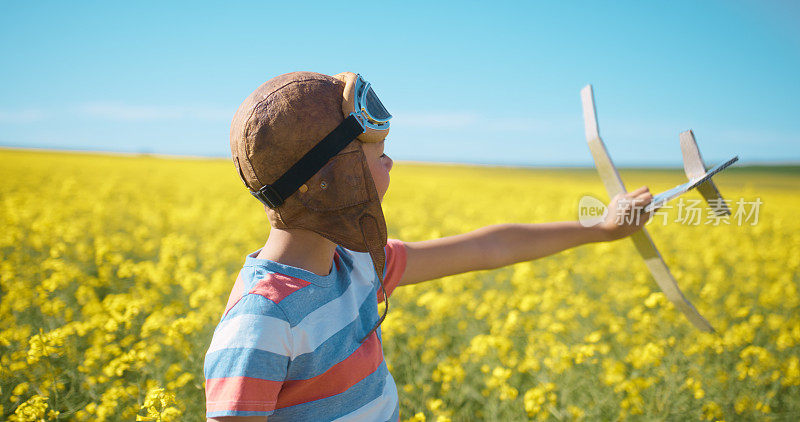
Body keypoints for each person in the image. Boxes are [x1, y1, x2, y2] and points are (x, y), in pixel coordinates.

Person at [204, 71, 652, 422]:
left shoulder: (361, 265)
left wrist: (601, 229)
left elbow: (489, 248)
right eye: (376, 153)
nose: (390, 161)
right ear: (329, 180)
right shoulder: (261, 322)